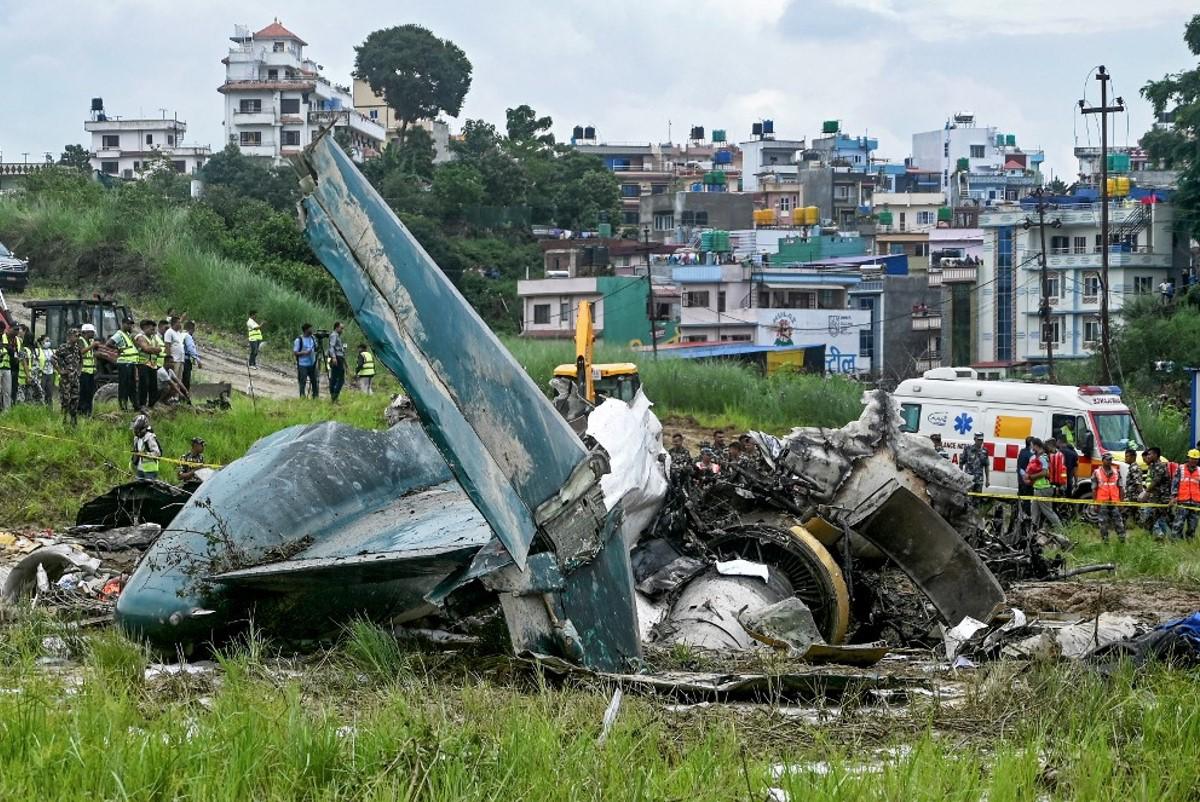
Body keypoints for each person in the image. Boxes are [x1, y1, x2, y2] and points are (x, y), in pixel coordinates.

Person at [1026, 439, 1063, 532]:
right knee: (1034, 512)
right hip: (1038, 488)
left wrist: (1032, 477)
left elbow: (1045, 472)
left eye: (1032, 445)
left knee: (1048, 512)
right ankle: (1032, 533)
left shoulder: (1043, 457)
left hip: (1044, 488)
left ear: (1036, 446)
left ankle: (1062, 531)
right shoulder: (1038, 457)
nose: (1031, 448)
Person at [1092, 453, 1125, 543]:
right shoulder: (1096, 472)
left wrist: (1121, 502)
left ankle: (1122, 542)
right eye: (1107, 459)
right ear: (1103, 460)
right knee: (1103, 524)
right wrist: (1095, 504)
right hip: (1102, 502)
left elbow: (1121, 488)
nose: (1110, 461)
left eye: (1111, 459)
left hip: (1115, 502)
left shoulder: (1116, 472)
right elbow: (1094, 489)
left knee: (1119, 523)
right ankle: (1105, 542)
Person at [1140, 447, 1173, 540]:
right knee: (1150, 520)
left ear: (1155, 455)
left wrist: (1146, 493)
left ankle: (1176, 539)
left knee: (1170, 520)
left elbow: (1155, 481)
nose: (1148, 456)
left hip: (1164, 498)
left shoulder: (1161, 466)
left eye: (1150, 454)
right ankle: (1151, 539)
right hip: (1155, 498)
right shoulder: (1152, 466)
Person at [52, 327, 82, 426]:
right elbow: (53, 359)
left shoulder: (77, 348)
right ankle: (63, 422)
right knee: (65, 401)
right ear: (70, 336)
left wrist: (79, 371)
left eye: (78, 336)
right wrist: (60, 371)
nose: (77, 338)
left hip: (75, 380)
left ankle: (73, 422)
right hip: (66, 380)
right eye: (76, 336)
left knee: (75, 400)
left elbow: (80, 360)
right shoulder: (63, 348)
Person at [110, 317, 140, 411]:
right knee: (124, 386)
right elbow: (109, 343)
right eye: (128, 324)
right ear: (123, 324)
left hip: (130, 363)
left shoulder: (127, 334)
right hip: (124, 363)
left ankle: (135, 405)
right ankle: (123, 407)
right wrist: (118, 349)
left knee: (132, 385)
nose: (130, 326)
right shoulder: (119, 334)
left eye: (131, 324)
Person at [1172, 449, 1200, 540]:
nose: (1194, 461)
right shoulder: (1180, 468)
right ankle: (1175, 543)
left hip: (1195, 503)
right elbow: (1175, 483)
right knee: (1178, 525)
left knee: (1192, 526)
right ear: (1188, 458)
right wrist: (1174, 496)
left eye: (1196, 459)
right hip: (1182, 502)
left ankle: (1189, 543)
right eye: (1192, 458)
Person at [134, 319, 162, 408]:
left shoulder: (153, 338)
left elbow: (159, 349)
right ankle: (142, 404)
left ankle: (152, 404)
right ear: (145, 328)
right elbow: (146, 349)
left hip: (153, 363)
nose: (154, 331)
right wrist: (153, 349)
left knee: (153, 385)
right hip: (143, 363)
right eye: (151, 329)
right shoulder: (140, 337)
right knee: (144, 384)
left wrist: (152, 349)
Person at [131, 413, 161, 481]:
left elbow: (157, 453)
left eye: (136, 429)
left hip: (150, 470)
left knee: (148, 489)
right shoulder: (136, 438)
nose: (135, 431)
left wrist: (146, 454)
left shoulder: (150, 437)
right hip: (140, 469)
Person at [293, 323, 319, 398]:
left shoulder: (313, 338)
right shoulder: (299, 340)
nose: (312, 330)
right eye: (310, 328)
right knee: (302, 381)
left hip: (312, 363)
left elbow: (316, 348)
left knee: (314, 381)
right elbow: (295, 352)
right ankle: (302, 396)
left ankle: (315, 396)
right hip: (303, 364)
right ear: (306, 330)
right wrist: (305, 352)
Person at [78, 324, 97, 416]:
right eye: (92, 332)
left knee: (89, 393)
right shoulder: (80, 340)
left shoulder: (90, 341)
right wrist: (92, 346)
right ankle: (82, 411)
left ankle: (88, 412)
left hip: (90, 371)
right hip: (83, 371)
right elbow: (80, 352)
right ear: (86, 332)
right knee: (83, 393)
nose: (93, 333)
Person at [327, 321, 346, 403]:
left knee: (336, 377)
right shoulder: (334, 335)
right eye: (341, 328)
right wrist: (334, 357)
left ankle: (334, 396)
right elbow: (331, 347)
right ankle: (334, 396)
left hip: (339, 357)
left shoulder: (337, 336)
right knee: (338, 378)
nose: (342, 330)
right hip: (337, 357)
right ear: (336, 327)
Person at [1016, 436, 1035, 515]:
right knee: (1027, 500)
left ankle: (1021, 515)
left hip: (1021, 480)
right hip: (1027, 481)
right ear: (1031, 444)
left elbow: (1019, 466)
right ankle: (1027, 516)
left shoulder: (1022, 451)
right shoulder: (1030, 455)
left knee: (1022, 500)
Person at [37, 333, 55, 407]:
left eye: (49, 341)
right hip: (42, 374)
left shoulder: (52, 351)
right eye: (46, 340)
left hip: (50, 373)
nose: (48, 342)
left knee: (49, 393)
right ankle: (40, 408)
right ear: (41, 342)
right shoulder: (38, 351)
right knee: (41, 392)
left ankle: (49, 409)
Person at [182, 321, 201, 391]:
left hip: (179, 359)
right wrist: (197, 359)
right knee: (186, 380)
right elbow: (190, 349)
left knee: (180, 379)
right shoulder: (188, 336)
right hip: (186, 360)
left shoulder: (180, 335)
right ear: (192, 329)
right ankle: (184, 396)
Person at [0, 325, 12, 412]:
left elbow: (11, 351)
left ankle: (6, 411)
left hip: (7, 368)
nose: (2, 332)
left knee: (7, 391)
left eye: (3, 330)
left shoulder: (5, 338)